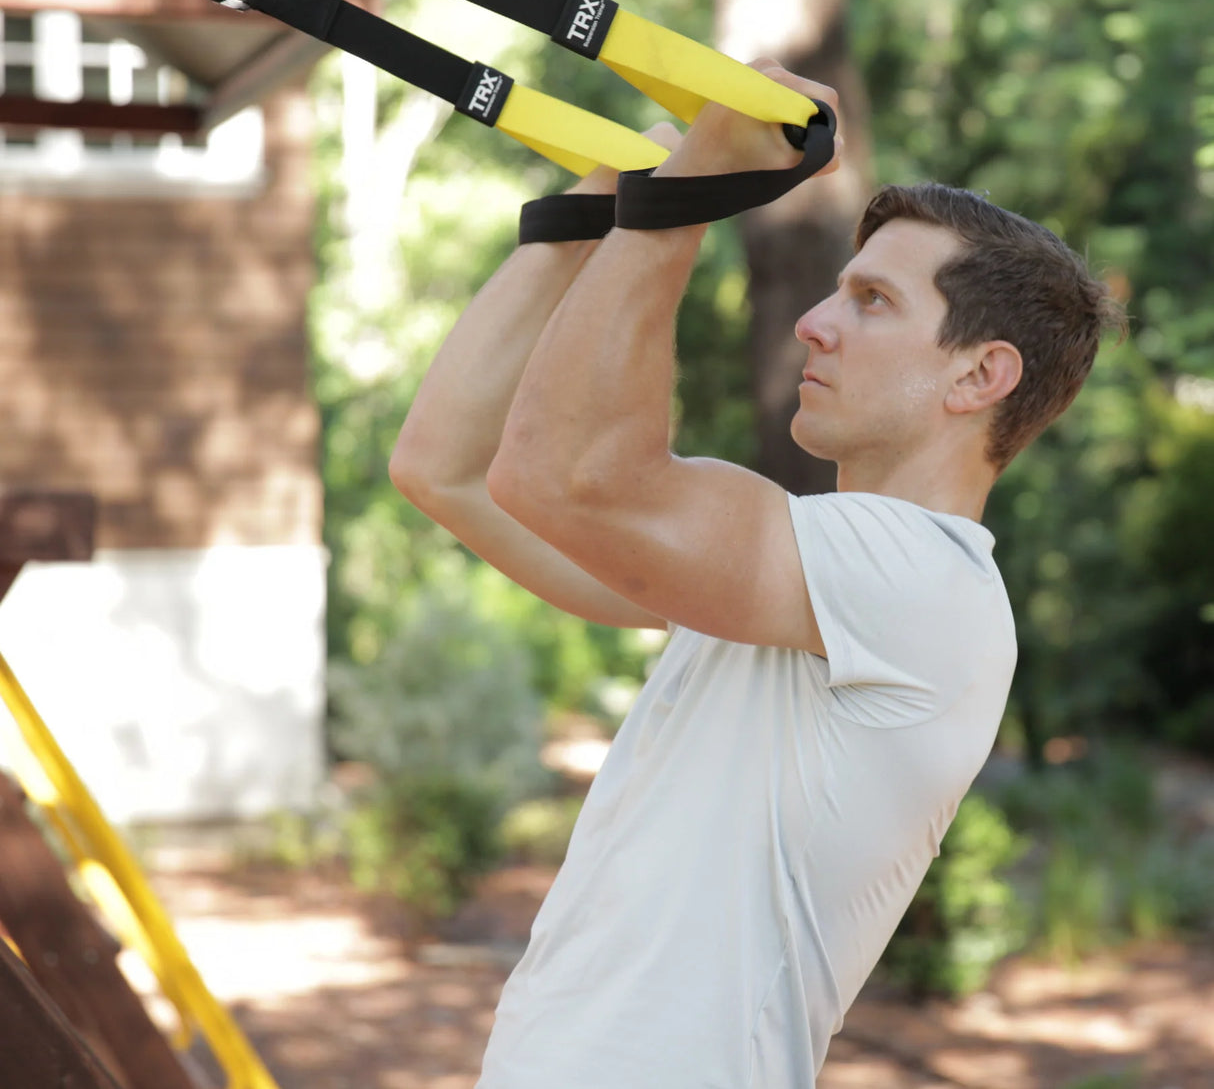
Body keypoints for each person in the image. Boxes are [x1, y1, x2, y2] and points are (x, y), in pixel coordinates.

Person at [390, 61, 1127, 1087]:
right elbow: (446, 467)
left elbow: (571, 476)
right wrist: (587, 210)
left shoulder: (922, 585)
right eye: (835, 290)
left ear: (978, 374)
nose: (812, 322)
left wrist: (687, 185)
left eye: (869, 301)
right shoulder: (789, 585)